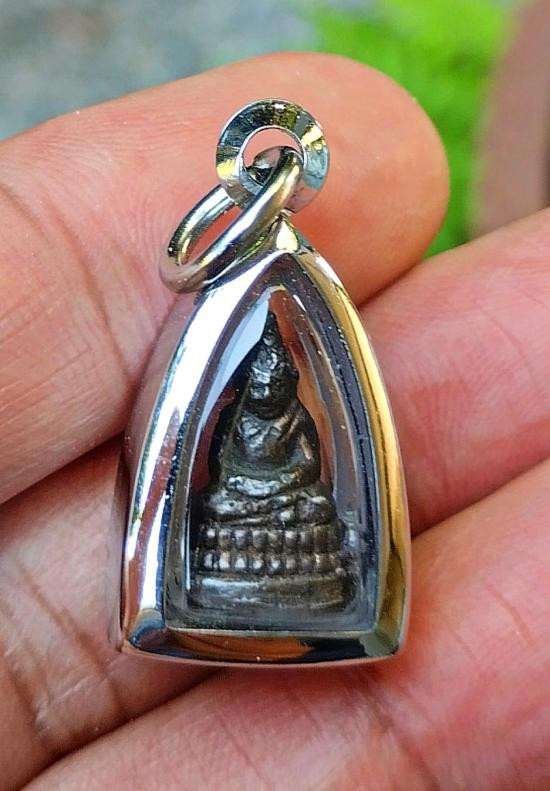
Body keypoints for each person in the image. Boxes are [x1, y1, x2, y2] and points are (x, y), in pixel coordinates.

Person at [0, 52, 548, 790]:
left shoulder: (295, 416)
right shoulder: (236, 419)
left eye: (275, 380)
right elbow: (227, 472)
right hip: (242, 514)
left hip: (289, 515)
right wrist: (247, 484)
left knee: (315, 507)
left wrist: (287, 480)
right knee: (222, 504)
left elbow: (305, 470)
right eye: (257, 381)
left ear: (288, 379)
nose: (265, 389)